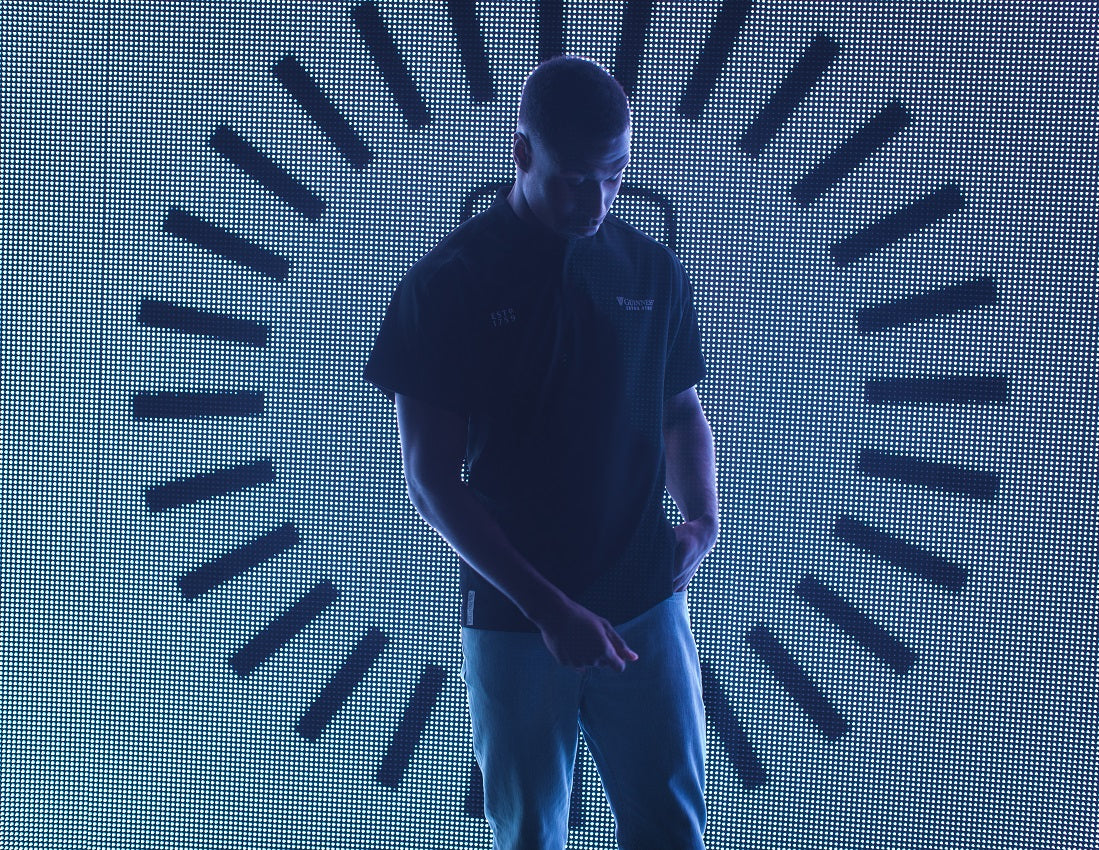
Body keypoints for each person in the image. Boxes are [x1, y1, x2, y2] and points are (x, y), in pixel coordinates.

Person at [364, 55, 718, 850]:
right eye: (572, 179)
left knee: (672, 832)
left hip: (643, 606)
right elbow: (429, 481)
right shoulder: (444, 285)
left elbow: (680, 407)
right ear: (522, 155)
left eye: (615, 177)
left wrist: (703, 520)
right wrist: (549, 609)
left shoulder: (650, 269)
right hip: (516, 623)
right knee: (528, 836)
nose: (594, 201)